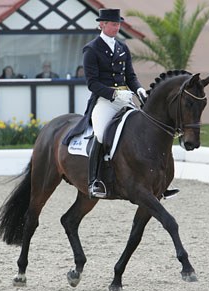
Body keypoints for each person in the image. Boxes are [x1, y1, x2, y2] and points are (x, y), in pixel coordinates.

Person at [63, 8, 179, 199]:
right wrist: (114, 94)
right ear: (102, 24)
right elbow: (92, 83)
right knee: (100, 134)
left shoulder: (122, 47)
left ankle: (161, 184)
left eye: (118, 24)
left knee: (148, 129)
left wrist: (139, 89)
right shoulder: (91, 49)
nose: (116, 27)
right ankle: (94, 182)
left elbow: (130, 76)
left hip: (125, 99)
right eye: (113, 24)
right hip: (105, 101)